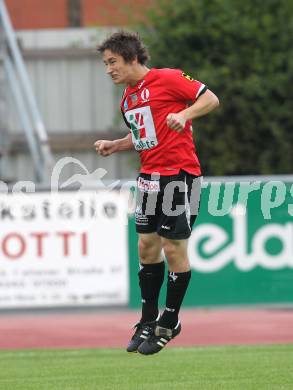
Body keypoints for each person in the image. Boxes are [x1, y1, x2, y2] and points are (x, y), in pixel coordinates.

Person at [95, 31, 219, 355]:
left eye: (112, 62)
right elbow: (144, 137)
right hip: (149, 178)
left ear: (132, 58)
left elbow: (210, 98)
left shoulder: (169, 78)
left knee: (173, 248)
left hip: (180, 176)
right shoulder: (127, 98)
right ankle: (148, 320)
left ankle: (171, 320)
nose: (108, 69)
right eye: (106, 63)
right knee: (146, 246)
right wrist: (116, 144)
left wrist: (185, 114)